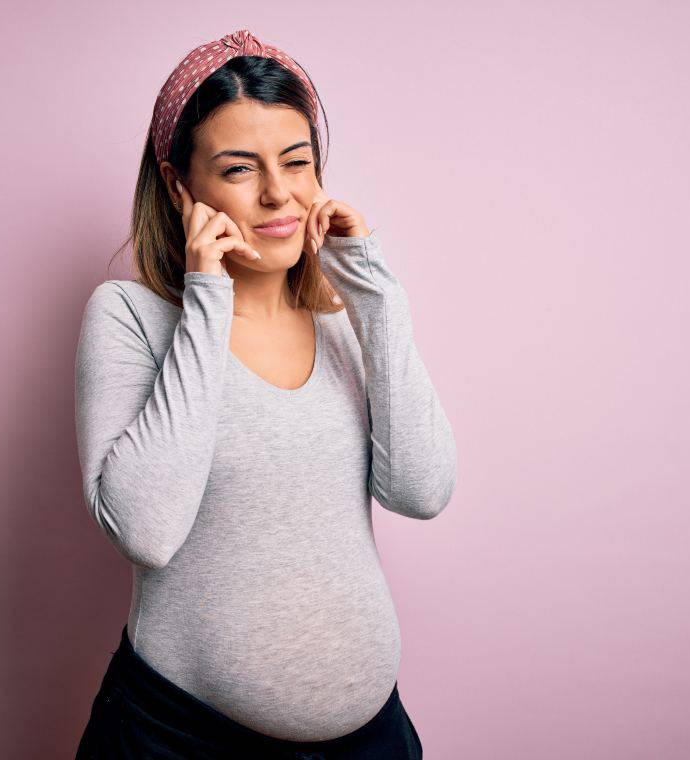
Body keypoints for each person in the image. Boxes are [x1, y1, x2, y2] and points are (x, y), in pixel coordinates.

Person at [73, 27, 457, 759]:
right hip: (183, 740)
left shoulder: (343, 321)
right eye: (240, 168)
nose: (279, 193)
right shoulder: (130, 318)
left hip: (371, 741)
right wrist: (209, 297)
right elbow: (145, 531)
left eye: (298, 162)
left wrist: (375, 295)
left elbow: (423, 488)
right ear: (180, 183)